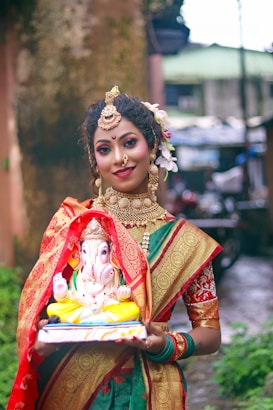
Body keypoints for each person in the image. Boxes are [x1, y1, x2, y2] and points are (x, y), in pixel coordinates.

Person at [8, 86, 222, 410]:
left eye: (130, 143)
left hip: (149, 388)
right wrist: (41, 339)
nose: (119, 158)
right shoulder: (75, 224)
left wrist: (168, 344)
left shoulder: (186, 241)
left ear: (152, 146)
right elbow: (55, 307)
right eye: (104, 148)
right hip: (69, 386)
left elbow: (210, 333)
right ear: (95, 160)